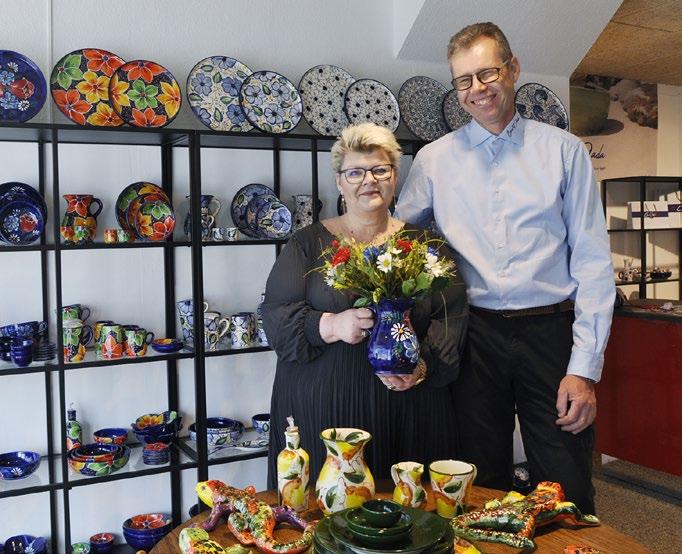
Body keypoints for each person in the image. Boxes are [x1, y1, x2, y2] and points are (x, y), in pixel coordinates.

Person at [394, 22, 615, 514]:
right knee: (475, 483)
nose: (477, 89)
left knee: (566, 483)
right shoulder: (434, 160)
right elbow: (401, 241)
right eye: (464, 80)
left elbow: (594, 262)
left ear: (512, 69)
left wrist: (584, 370)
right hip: (473, 337)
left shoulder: (564, 151)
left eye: (487, 73)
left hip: (550, 334)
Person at [262, 122, 468, 489]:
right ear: (340, 182)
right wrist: (331, 324)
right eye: (355, 172)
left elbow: (451, 316)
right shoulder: (306, 244)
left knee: (411, 508)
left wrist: (421, 368)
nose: (368, 180)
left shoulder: (426, 245)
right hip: (324, 409)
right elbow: (276, 317)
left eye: (379, 170)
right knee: (327, 507)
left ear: (394, 177)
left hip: (409, 409)